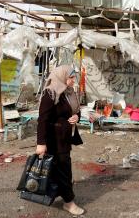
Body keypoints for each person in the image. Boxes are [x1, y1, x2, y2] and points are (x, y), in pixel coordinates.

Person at [35, 65, 84, 215]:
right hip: (53, 139)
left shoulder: (68, 92)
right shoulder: (50, 93)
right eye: (71, 77)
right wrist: (41, 143)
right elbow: (42, 119)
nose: (73, 80)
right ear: (62, 76)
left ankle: (58, 192)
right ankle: (69, 202)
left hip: (64, 138)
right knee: (63, 169)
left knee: (60, 169)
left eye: (73, 77)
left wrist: (77, 117)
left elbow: (76, 111)